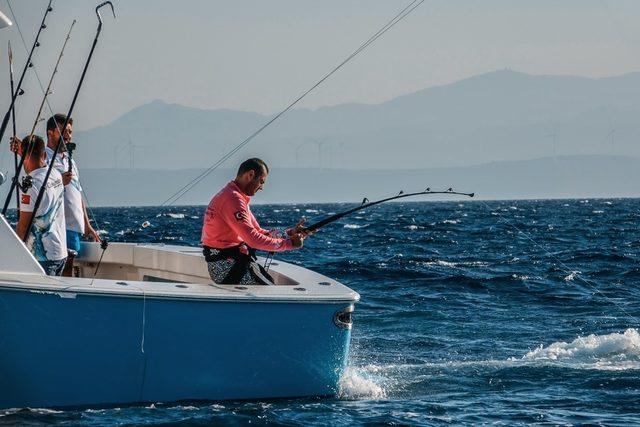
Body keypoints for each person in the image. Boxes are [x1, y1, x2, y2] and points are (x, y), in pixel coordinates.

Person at [11, 115, 101, 276]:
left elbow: (77, 192)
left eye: (70, 132)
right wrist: (22, 151)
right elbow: (35, 168)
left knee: (66, 267)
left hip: (73, 226)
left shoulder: (70, 161)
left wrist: (87, 225)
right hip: (58, 226)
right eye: (63, 131)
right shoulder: (46, 157)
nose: (68, 135)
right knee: (61, 270)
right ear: (50, 133)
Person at [201, 158, 307, 285]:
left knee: (271, 285)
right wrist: (289, 244)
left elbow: (258, 232)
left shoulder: (234, 196)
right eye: (261, 181)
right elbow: (253, 240)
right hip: (225, 267)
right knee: (272, 291)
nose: (261, 187)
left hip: (230, 263)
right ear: (250, 175)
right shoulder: (233, 199)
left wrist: (290, 233)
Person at [15, 135, 67, 276]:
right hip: (60, 252)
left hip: (42, 258)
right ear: (44, 154)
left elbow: (23, 227)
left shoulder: (29, 186)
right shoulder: (55, 174)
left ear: (25, 156)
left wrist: (14, 253)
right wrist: (23, 153)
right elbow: (37, 168)